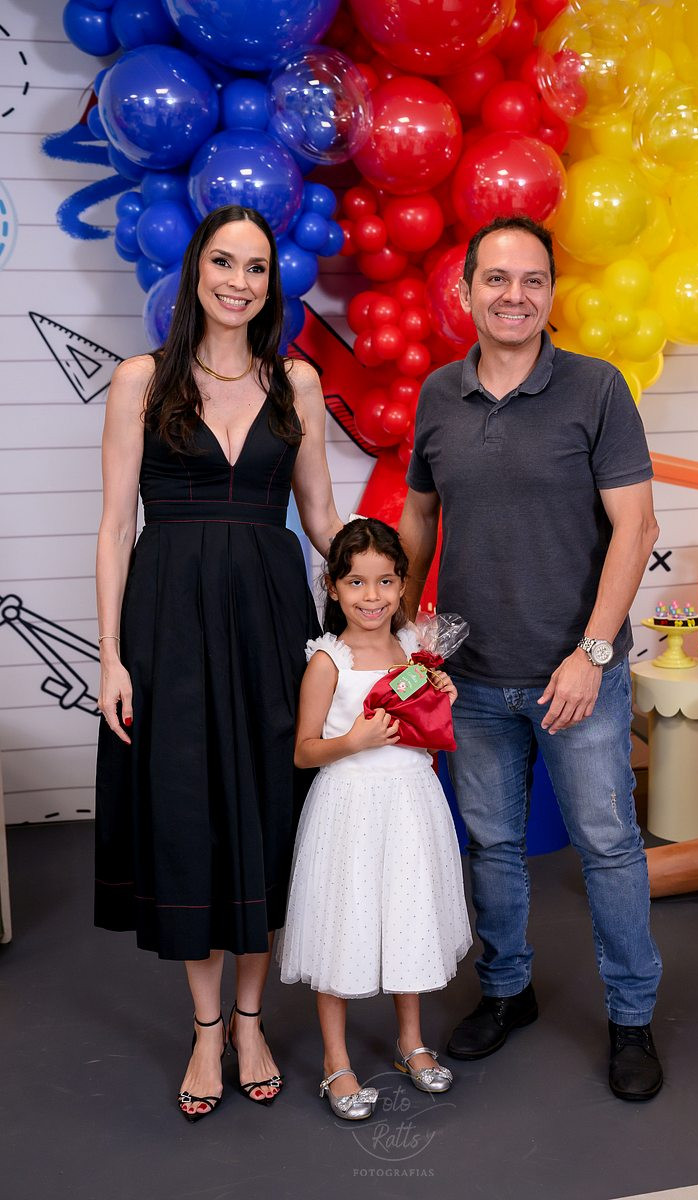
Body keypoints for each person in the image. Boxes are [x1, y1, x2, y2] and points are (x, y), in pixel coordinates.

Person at [398, 215, 664, 1101]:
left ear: (551, 292)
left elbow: (636, 527)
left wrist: (592, 653)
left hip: (577, 675)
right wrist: (409, 635)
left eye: (533, 280)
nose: (515, 296)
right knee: (493, 846)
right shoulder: (438, 394)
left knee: (609, 847)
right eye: (497, 279)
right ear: (466, 290)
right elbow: (419, 516)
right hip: (472, 678)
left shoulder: (596, 388)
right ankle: (507, 991)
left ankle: (632, 1017)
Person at [94, 204, 342, 1122]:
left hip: (273, 622)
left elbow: (321, 518)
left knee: (268, 814)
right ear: (196, 271)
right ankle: (206, 1032)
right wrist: (111, 656)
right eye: (225, 263)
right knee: (191, 817)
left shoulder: (297, 382)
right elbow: (115, 527)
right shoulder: (140, 379)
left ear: (272, 283)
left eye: (257, 267)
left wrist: (386, 591)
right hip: (168, 625)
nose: (240, 281)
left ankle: (250, 1021)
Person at [279, 518, 471, 1120]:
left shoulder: (415, 650)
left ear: (402, 584)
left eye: (385, 581)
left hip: (409, 803)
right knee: (343, 922)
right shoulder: (327, 660)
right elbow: (303, 750)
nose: (372, 596)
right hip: (350, 807)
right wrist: (353, 742)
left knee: (406, 915)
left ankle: (410, 1043)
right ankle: (336, 1061)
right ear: (333, 588)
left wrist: (440, 696)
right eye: (356, 582)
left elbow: (424, 730)